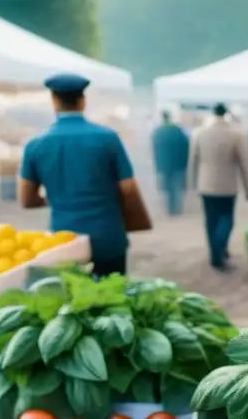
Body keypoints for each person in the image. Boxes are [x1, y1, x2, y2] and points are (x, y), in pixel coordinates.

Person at [18, 73, 151, 276]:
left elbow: (26, 200)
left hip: (64, 241)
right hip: (108, 237)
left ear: (53, 100)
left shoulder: (35, 145)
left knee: (73, 303)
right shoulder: (107, 139)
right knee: (113, 301)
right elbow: (128, 187)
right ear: (82, 101)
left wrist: (56, 198)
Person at [188, 103, 248, 272]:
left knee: (210, 220)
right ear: (226, 114)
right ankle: (219, 249)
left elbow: (192, 161)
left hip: (205, 185)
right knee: (227, 219)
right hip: (228, 185)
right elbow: (244, 163)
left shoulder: (199, 133)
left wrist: (191, 184)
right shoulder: (236, 134)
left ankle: (216, 252)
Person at [152, 111, 189, 215]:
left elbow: (155, 151)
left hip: (164, 165)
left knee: (167, 188)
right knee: (177, 187)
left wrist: (157, 165)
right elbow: (186, 147)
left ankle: (169, 209)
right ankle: (176, 209)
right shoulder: (178, 131)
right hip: (178, 164)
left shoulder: (158, 132)